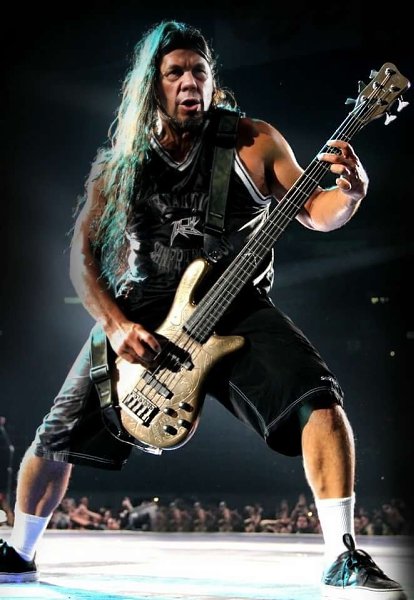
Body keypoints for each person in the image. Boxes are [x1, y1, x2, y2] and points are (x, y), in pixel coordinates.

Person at [0, 20, 407, 599]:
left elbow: (315, 212)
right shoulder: (120, 163)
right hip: (144, 312)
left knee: (319, 400)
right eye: (175, 73)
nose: (189, 82)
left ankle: (341, 554)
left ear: (213, 80)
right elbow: (80, 257)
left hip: (237, 301)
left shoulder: (253, 140)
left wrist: (350, 193)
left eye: (199, 71)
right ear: (153, 85)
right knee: (56, 434)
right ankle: (19, 550)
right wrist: (115, 324)